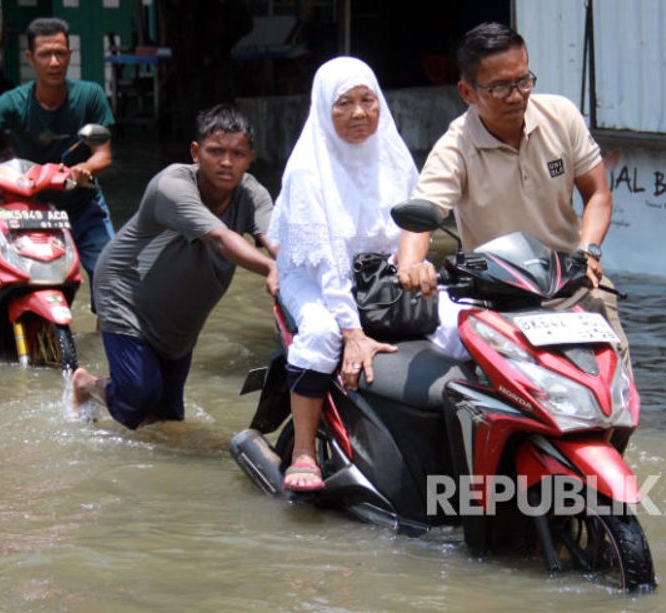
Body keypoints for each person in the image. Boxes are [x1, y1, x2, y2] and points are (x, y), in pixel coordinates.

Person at [395, 22, 627, 365]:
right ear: (467, 92)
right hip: (499, 298)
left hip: (575, 283)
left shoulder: (561, 116)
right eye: (501, 87)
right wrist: (412, 265)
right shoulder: (455, 147)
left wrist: (589, 251)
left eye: (524, 80)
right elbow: (421, 217)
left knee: (614, 399)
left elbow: (598, 194)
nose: (518, 95)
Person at [70, 104, 278, 430]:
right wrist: (271, 269)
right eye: (216, 151)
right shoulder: (172, 186)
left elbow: (276, 238)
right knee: (137, 398)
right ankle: (89, 385)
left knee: (166, 420)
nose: (227, 162)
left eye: (238, 153)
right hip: (126, 294)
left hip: (179, 317)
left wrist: (292, 263)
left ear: (250, 157)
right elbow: (220, 237)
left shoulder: (252, 194)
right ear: (196, 152)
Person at [268, 56, 419, 492]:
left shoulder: (392, 153)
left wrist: (419, 269)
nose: (359, 113)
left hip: (378, 274)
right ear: (323, 109)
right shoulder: (307, 170)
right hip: (311, 275)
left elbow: (415, 225)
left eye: (368, 100)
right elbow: (328, 262)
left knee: (456, 317)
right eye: (345, 103)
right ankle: (303, 451)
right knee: (321, 333)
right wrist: (352, 330)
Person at [0, 17, 116, 305]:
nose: (54, 62)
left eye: (60, 53)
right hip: (26, 210)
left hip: (82, 205)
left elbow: (103, 155)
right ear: (31, 58)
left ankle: (105, 344)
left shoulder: (90, 95)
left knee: (112, 282)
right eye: (45, 54)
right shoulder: (12, 101)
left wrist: (84, 169)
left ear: (70, 54)